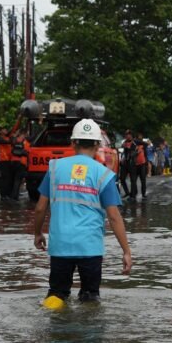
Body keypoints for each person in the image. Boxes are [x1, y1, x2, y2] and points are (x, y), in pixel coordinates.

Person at [32, 119, 132, 309]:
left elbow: (40, 208)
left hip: (60, 245)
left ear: (73, 143)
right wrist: (126, 251)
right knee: (90, 298)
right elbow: (114, 217)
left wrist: (37, 233)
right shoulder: (104, 174)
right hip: (90, 248)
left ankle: (56, 330)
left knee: (56, 295)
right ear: (97, 144)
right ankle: (88, 335)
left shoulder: (54, 168)